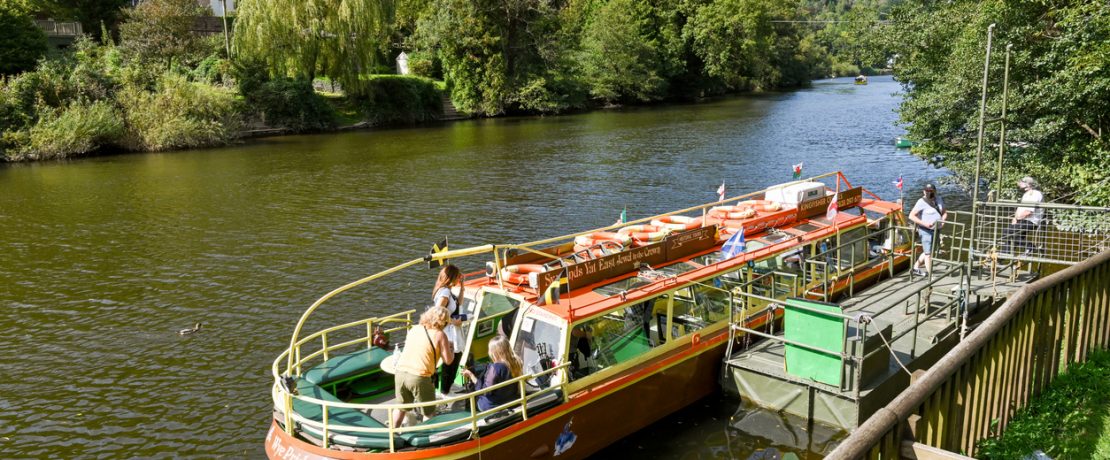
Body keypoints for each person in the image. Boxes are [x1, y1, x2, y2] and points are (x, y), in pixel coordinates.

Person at [392, 306, 454, 428]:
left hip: (400, 372)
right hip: (420, 376)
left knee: (401, 407)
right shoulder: (440, 334)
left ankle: (392, 433)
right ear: (443, 322)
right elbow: (448, 360)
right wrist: (450, 348)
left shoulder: (415, 329)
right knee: (429, 412)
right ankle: (427, 438)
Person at [460, 336, 524, 412]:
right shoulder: (516, 362)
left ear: (495, 352)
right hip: (512, 402)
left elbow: (485, 391)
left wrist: (471, 375)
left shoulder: (496, 367)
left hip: (493, 406)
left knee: (471, 399)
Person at [432, 265, 466, 395]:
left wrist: (462, 287)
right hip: (448, 332)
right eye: (458, 276)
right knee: (451, 361)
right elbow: (437, 312)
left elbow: (459, 303)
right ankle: (445, 391)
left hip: (452, 331)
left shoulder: (447, 290)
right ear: (451, 277)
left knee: (452, 359)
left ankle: (445, 388)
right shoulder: (445, 293)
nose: (460, 277)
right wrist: (453, 321)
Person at [908, 183, 947, 276]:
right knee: (928, 254)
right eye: (927, 191)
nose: (929, 193)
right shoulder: (921, 202)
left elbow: (944, 212)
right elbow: (911, 216)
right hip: (925, 231)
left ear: (935, 191)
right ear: (924, 191)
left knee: (929, 251)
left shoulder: (939, 199)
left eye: (931, 191)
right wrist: (925, 224)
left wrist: (943, 221)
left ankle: (915, 267)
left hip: (936, 229)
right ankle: (931, 276)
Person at [1001, 176, 1044, 255]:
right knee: (1013, 237)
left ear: (1028, 184)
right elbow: (1020, 208)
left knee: (1006, 231)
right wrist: (1015, 218)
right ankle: (1003, 256)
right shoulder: (1026, 194)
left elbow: (1028, 212)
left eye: (1022, 183)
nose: (1019, 184)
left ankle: (1030, 246)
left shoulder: (1035, 194)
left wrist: (1018, 218)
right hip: (1022, 220)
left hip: (1030, 221)